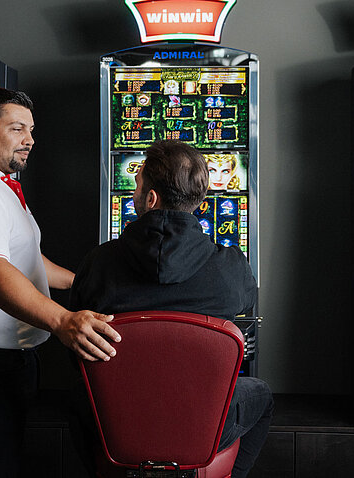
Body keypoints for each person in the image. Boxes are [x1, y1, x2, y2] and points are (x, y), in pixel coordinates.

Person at [0, 88, 121, 478]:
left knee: (4, 462)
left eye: (30, 130)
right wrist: (63, 321)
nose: (29, 140)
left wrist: (89, 283)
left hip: (7, 361)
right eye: (16, 129)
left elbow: (27, 261)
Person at [69, 139, 273, 478]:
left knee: (77, 394)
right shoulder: (231, 266)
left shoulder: (100, 262)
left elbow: (76, 352)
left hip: (120, 420)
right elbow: (242, 326)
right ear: (201, 202)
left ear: (150, 199)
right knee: (262, 395)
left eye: (136, 186)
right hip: (201, 421)